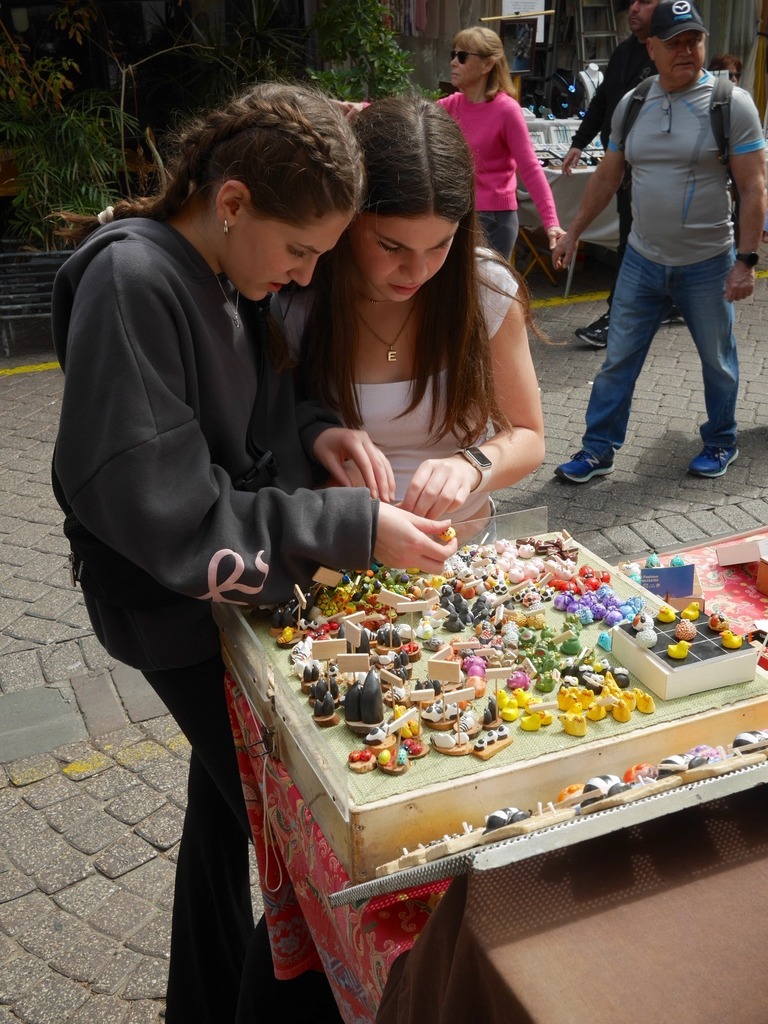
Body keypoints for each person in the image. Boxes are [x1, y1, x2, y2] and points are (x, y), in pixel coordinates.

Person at [50, 83, 459, 1024]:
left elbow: (257, 405)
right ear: (231, 201)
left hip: (218, 603)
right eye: (302, 250)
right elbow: (169, 511)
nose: (309, 276)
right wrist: (350, 530)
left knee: (228, 797)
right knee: (296, 844)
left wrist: (317, 433)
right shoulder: (134, 281)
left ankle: (197, 1000)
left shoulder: (220, 269)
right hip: (177, 612)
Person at [276, 96, 546, 533]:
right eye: (391, 246)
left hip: (470, 553)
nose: (418, 271)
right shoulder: (301, 294)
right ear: (348, 219)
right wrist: (319, 447)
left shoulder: (484, 288)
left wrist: (473, 465)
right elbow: (274, 427)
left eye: (442, 244)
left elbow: (528, 435)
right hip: (349, 551)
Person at [552, 0, 766, 483]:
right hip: (642, 261)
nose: (687, 50)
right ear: (652, 48)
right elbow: (607, 177)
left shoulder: (730, 104)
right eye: (675, 42)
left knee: (718, 360)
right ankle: (597, 450)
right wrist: (574, 231)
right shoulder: (634, 103)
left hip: (709, 263)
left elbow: (754, 188)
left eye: (694, 40)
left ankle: (720, 440)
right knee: (617, 362)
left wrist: (746, 262)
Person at [561, 0, 670, 348]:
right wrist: (580, 142)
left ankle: (619, 318)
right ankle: (650, 306)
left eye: (645, 2)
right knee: (632, 244)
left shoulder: (667, 53)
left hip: (652, 173)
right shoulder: (624, 52)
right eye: (632, 3)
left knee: (640, 246)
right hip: (620, 168)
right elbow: (603, 102)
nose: (634, 8)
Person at [437, 26, 564, 261]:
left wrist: (551, 223)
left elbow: (531, 169)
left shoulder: (506, 110)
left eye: (463, 56)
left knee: (485, 294)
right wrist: (361, 108)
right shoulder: (453, 104)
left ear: (487, 65)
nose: (454, 62)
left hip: (493, 220)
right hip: (459, 213)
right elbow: (414, 115)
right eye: (453, 55)